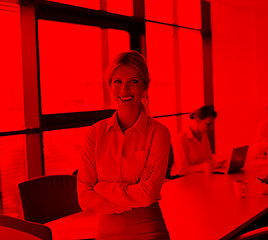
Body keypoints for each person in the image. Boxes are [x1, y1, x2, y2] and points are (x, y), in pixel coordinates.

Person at [77, 50, 171, 239]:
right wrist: (135, 196)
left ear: (145, 87)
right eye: (117, 81)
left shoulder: (159, 133)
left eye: (133, 82)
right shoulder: (95, 134)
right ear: (109, 86)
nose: (124, 90)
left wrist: (101, 187)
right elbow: (85, 197)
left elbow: (148, 194)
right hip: (106, 233)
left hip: (149, 231)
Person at [171, 105, 224, 176]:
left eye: (212, 125)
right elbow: (182, 170)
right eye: (208, 124)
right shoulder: (181, 138)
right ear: (197, 120)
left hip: (197, 176)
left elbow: (208, 158)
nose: (211, 128)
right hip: (180, 179)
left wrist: (217, 164)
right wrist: (204, 167)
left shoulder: (203, 136)